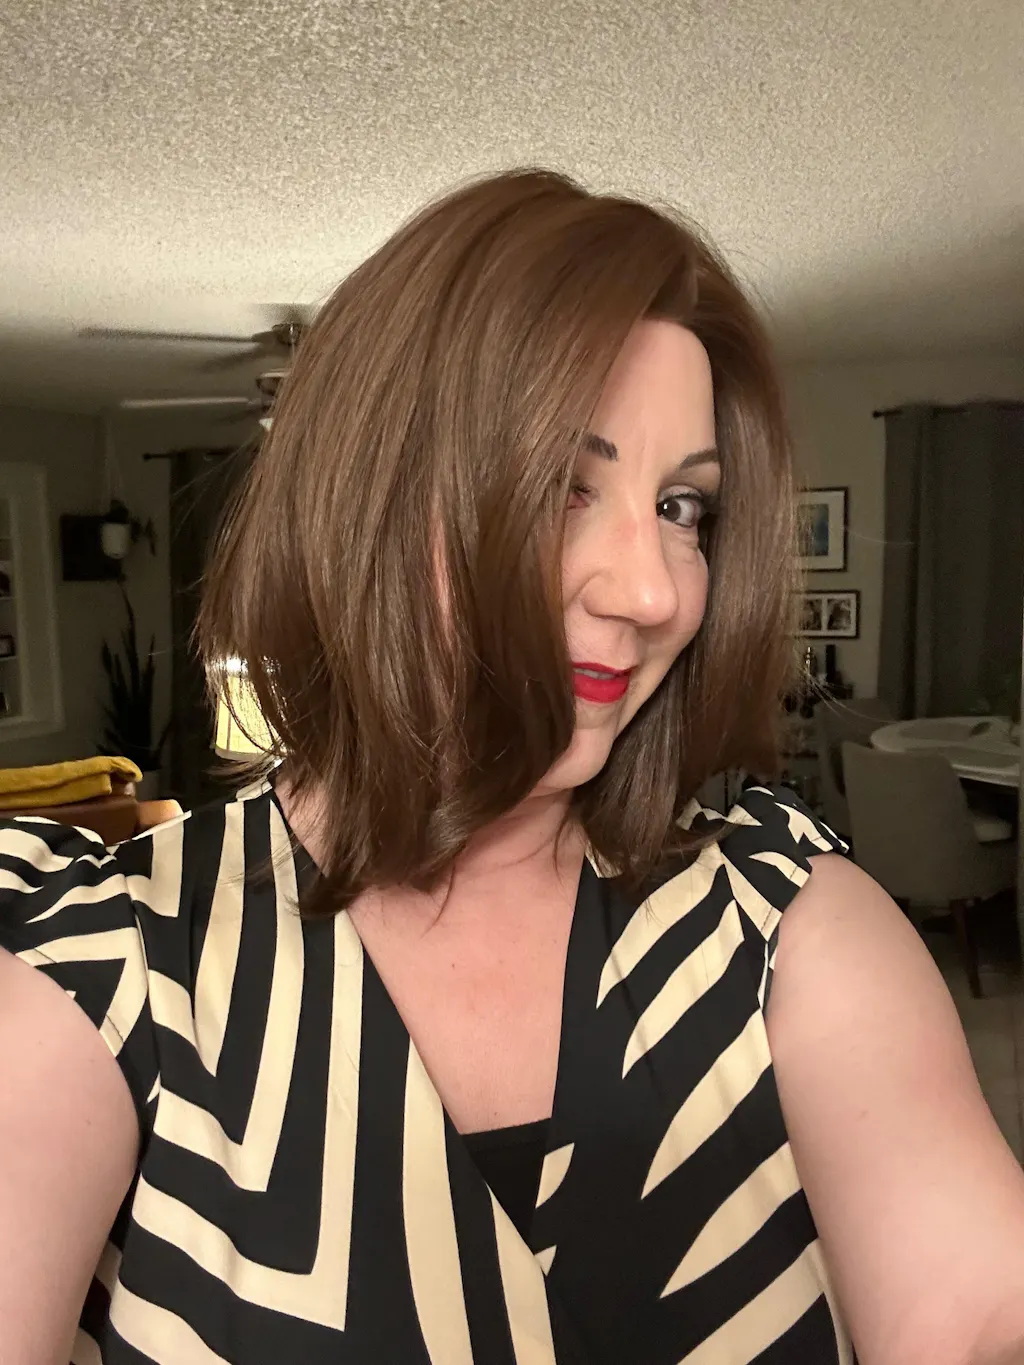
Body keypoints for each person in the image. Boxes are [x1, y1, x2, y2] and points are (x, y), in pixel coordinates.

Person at [2, 170, 1024, 1365]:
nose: (650, 591)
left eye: (682, 507)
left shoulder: (786, 921)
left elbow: (975, 1315)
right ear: (371, 499)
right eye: (560, 485)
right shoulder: (106, 962)